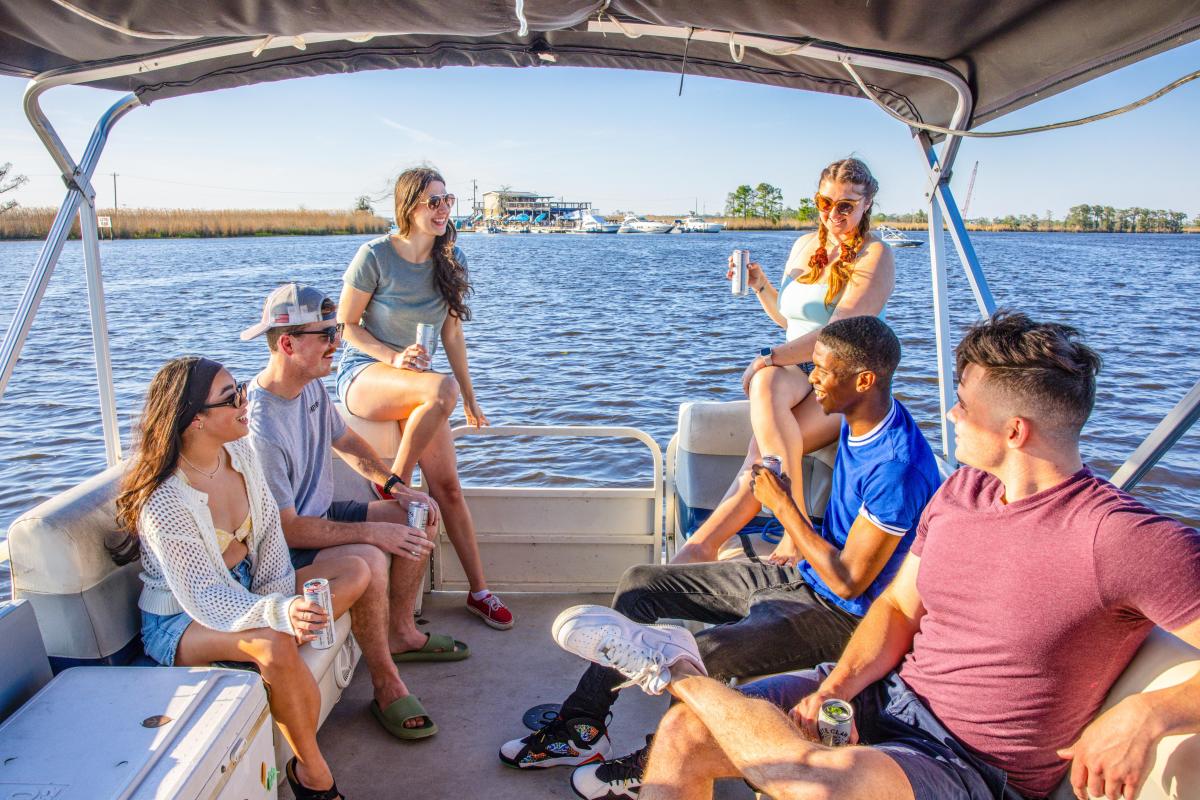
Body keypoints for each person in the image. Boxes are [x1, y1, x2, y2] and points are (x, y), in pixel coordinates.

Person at [556, 311, 1200, 800]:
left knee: (816, 784)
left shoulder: (1120, 537)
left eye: (964, 406)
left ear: (1014, 432)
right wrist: (834, 687)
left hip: (971, 764)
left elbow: (863, 582)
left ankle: (673, 669)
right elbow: (895, 605)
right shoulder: (964, 492)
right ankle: (675, 679)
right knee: (686, 733)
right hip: (890, 701)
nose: (948, 415)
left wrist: (1148, 712)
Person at [500, 317, 942, 800]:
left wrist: (784, 509)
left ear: (863, 381)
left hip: (842, 616)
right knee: (643, 582)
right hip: (804, 581)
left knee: (703, 654)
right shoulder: (859, 423)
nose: (811, 380)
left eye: (821, 371)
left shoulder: (897, 466)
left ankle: (656, 762)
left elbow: (851, 581)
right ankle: (582, 729)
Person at [117, 356, 369, 800]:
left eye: (241, 389)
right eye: (231, 397)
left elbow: (271, 538)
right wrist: (279, 615)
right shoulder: (164, 501)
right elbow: (205, 596)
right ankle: (314, 775)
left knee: (353, 569)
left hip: (248, 589)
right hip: (181, 620)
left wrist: (279, 602)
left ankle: (270, 655)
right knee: (273, 642)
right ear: (196, 419)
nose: (244, 400)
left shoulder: (240, 454)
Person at [242, 282, 464, 741]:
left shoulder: (311, 389)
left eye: (334, 333)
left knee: (418, 514)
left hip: (320, 512)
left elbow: (345, 442)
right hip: (283, 550)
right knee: (370, 555)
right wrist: (371, 534)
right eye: (325, 335)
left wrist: (396, 487)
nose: (336, 344)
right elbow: (286, 531)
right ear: (287, 343)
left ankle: (402, 632)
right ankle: (386, 683)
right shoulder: (259, 427)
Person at [675, 157, 895, 566]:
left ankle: (707, 547)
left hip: (846, 377)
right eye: (825, 202)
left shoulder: (875, 254)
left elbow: (837, 336)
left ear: (867, 204)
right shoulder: (804, 246)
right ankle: (711, 546)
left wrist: (767, 358)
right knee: (767, 384)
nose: (834, 214)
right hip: (800, 369)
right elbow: (790, 321)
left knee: (761, 449)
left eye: (846, 205)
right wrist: (760, 285)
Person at [335, 166, 511, 630]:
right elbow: (346, 326)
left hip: (424, 388)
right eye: (433, 201)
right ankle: (393, 480)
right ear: (408, 207)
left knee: (449, 488)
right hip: (366, 374)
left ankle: (480, 591)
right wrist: (392, 357)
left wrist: (469, 398)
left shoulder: (451, 260)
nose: (443, 210)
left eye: (447, 200)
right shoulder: (374, 255)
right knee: (439, 389)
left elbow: (452, 335)